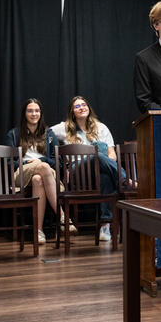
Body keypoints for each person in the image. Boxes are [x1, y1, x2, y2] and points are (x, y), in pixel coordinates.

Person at [46, 95, 119, 241]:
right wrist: (52, 154)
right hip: (77, 173)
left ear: (88, 108)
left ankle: (105, 225)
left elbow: (112, 153)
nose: (81, 108)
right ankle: (123, 179)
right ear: (72, 112)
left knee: (105, 174)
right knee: (96, 154)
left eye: (84, 105)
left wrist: (106, 161)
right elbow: (45, 132)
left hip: (98, 171)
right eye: (77, 106)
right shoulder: (63, 128)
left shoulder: (101, 128)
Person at [6, 98, 60, 245]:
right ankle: (63, 216)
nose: (34, 114)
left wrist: (40, 161)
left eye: (37, 110)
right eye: (30, 111)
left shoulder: (49, 134)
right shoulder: (14, 134)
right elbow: (10, 162)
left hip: (46, 175)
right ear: (24, 113)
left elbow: (57, 161)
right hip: (21, 173)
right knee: (43, 167)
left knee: (38, 178)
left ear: (41, 113)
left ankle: (39, 231)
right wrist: (28, 163)